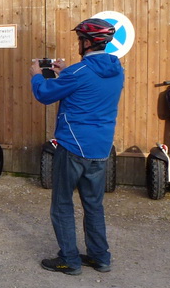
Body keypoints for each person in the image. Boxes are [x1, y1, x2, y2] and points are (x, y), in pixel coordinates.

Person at [30, 18, 124, 275]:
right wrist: (64, 73)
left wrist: (37, 75)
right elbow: (88, 88)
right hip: (100, 148)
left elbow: (44, 94)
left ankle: (69, 260)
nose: (78, 44)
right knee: (93, 205)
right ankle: (100, 257)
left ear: (87, 42)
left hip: (72, 146)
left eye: (79, 40)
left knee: (62, 204)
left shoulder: (77, 72)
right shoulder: (117, 69)